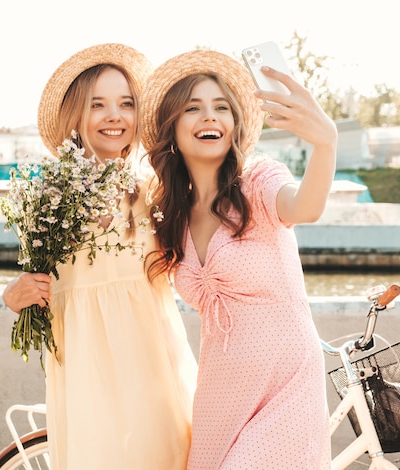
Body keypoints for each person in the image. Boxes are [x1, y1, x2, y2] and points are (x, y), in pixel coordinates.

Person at [1, 43, 198, 470]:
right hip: (84, 365)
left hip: (151, 364)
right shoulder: (49, 196)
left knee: (162, 456)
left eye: (127, 104)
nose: (115, 116)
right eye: (98, 104)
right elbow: (30, 280)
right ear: (75, 114)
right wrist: (15, 295)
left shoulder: (154, 190)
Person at [141, 49, 337, 469]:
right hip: (220, 391)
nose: (209, 117)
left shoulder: (259, 181)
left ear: (234, 124)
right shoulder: (170, 216)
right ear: (171, 129)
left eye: (221, 107)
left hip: (286, 385)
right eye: (193, 108)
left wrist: (326, 143)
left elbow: (305, 206)